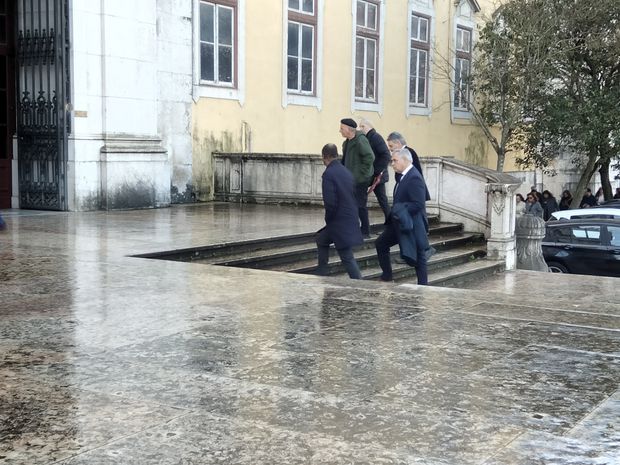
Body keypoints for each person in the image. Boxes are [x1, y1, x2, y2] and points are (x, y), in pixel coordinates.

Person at [375, 148, 430, 285]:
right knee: (381, 243)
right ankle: (387, 276)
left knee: (419, 255)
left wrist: (400, 209)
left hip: (411, 223)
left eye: (395, 160)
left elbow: (418, 204)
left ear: (405, 160)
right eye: (392, 161)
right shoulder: (403, 175)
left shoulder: (414, 177)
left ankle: (423, 286)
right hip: (398, 222)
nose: (392, 164)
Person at [315, 143, 363, 279]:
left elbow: (330, 202)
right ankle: (321, 271)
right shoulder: (346, 172)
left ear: (325, 157)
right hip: (349, 218)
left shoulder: (328, 174)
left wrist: (329, 220)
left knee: (346, 256)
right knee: (321, 239)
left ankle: (359, 282)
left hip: (338, 222)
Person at [339, 118, 375, 237]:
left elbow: (370, 157)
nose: (340, 131)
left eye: (342, 128)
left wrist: (361, 175)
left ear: (349, 130)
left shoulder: (360, 140)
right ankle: (353, 229)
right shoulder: (347, 142)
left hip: (360, 180)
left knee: (360, 206)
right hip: (350, 180)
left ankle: (365, 231)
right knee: (350, 205)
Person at [359, 119, 391, 222]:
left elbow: (386, 155)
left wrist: (376, 171)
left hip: (377, 175)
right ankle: (390, 220)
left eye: (362, 126)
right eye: (360, 126)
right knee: (381, 199)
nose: (360, 129)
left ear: (368, 126)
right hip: (373, 175)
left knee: (382, 199)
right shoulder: (368, 138)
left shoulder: (376, 137)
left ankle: (390, 221)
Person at [385, 132, 431, 200]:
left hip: (412, 193)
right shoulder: (405, 152)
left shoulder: (408, 152)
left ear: (398, 143)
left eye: (391, 146)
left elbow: (413, 175)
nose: (389, 149)